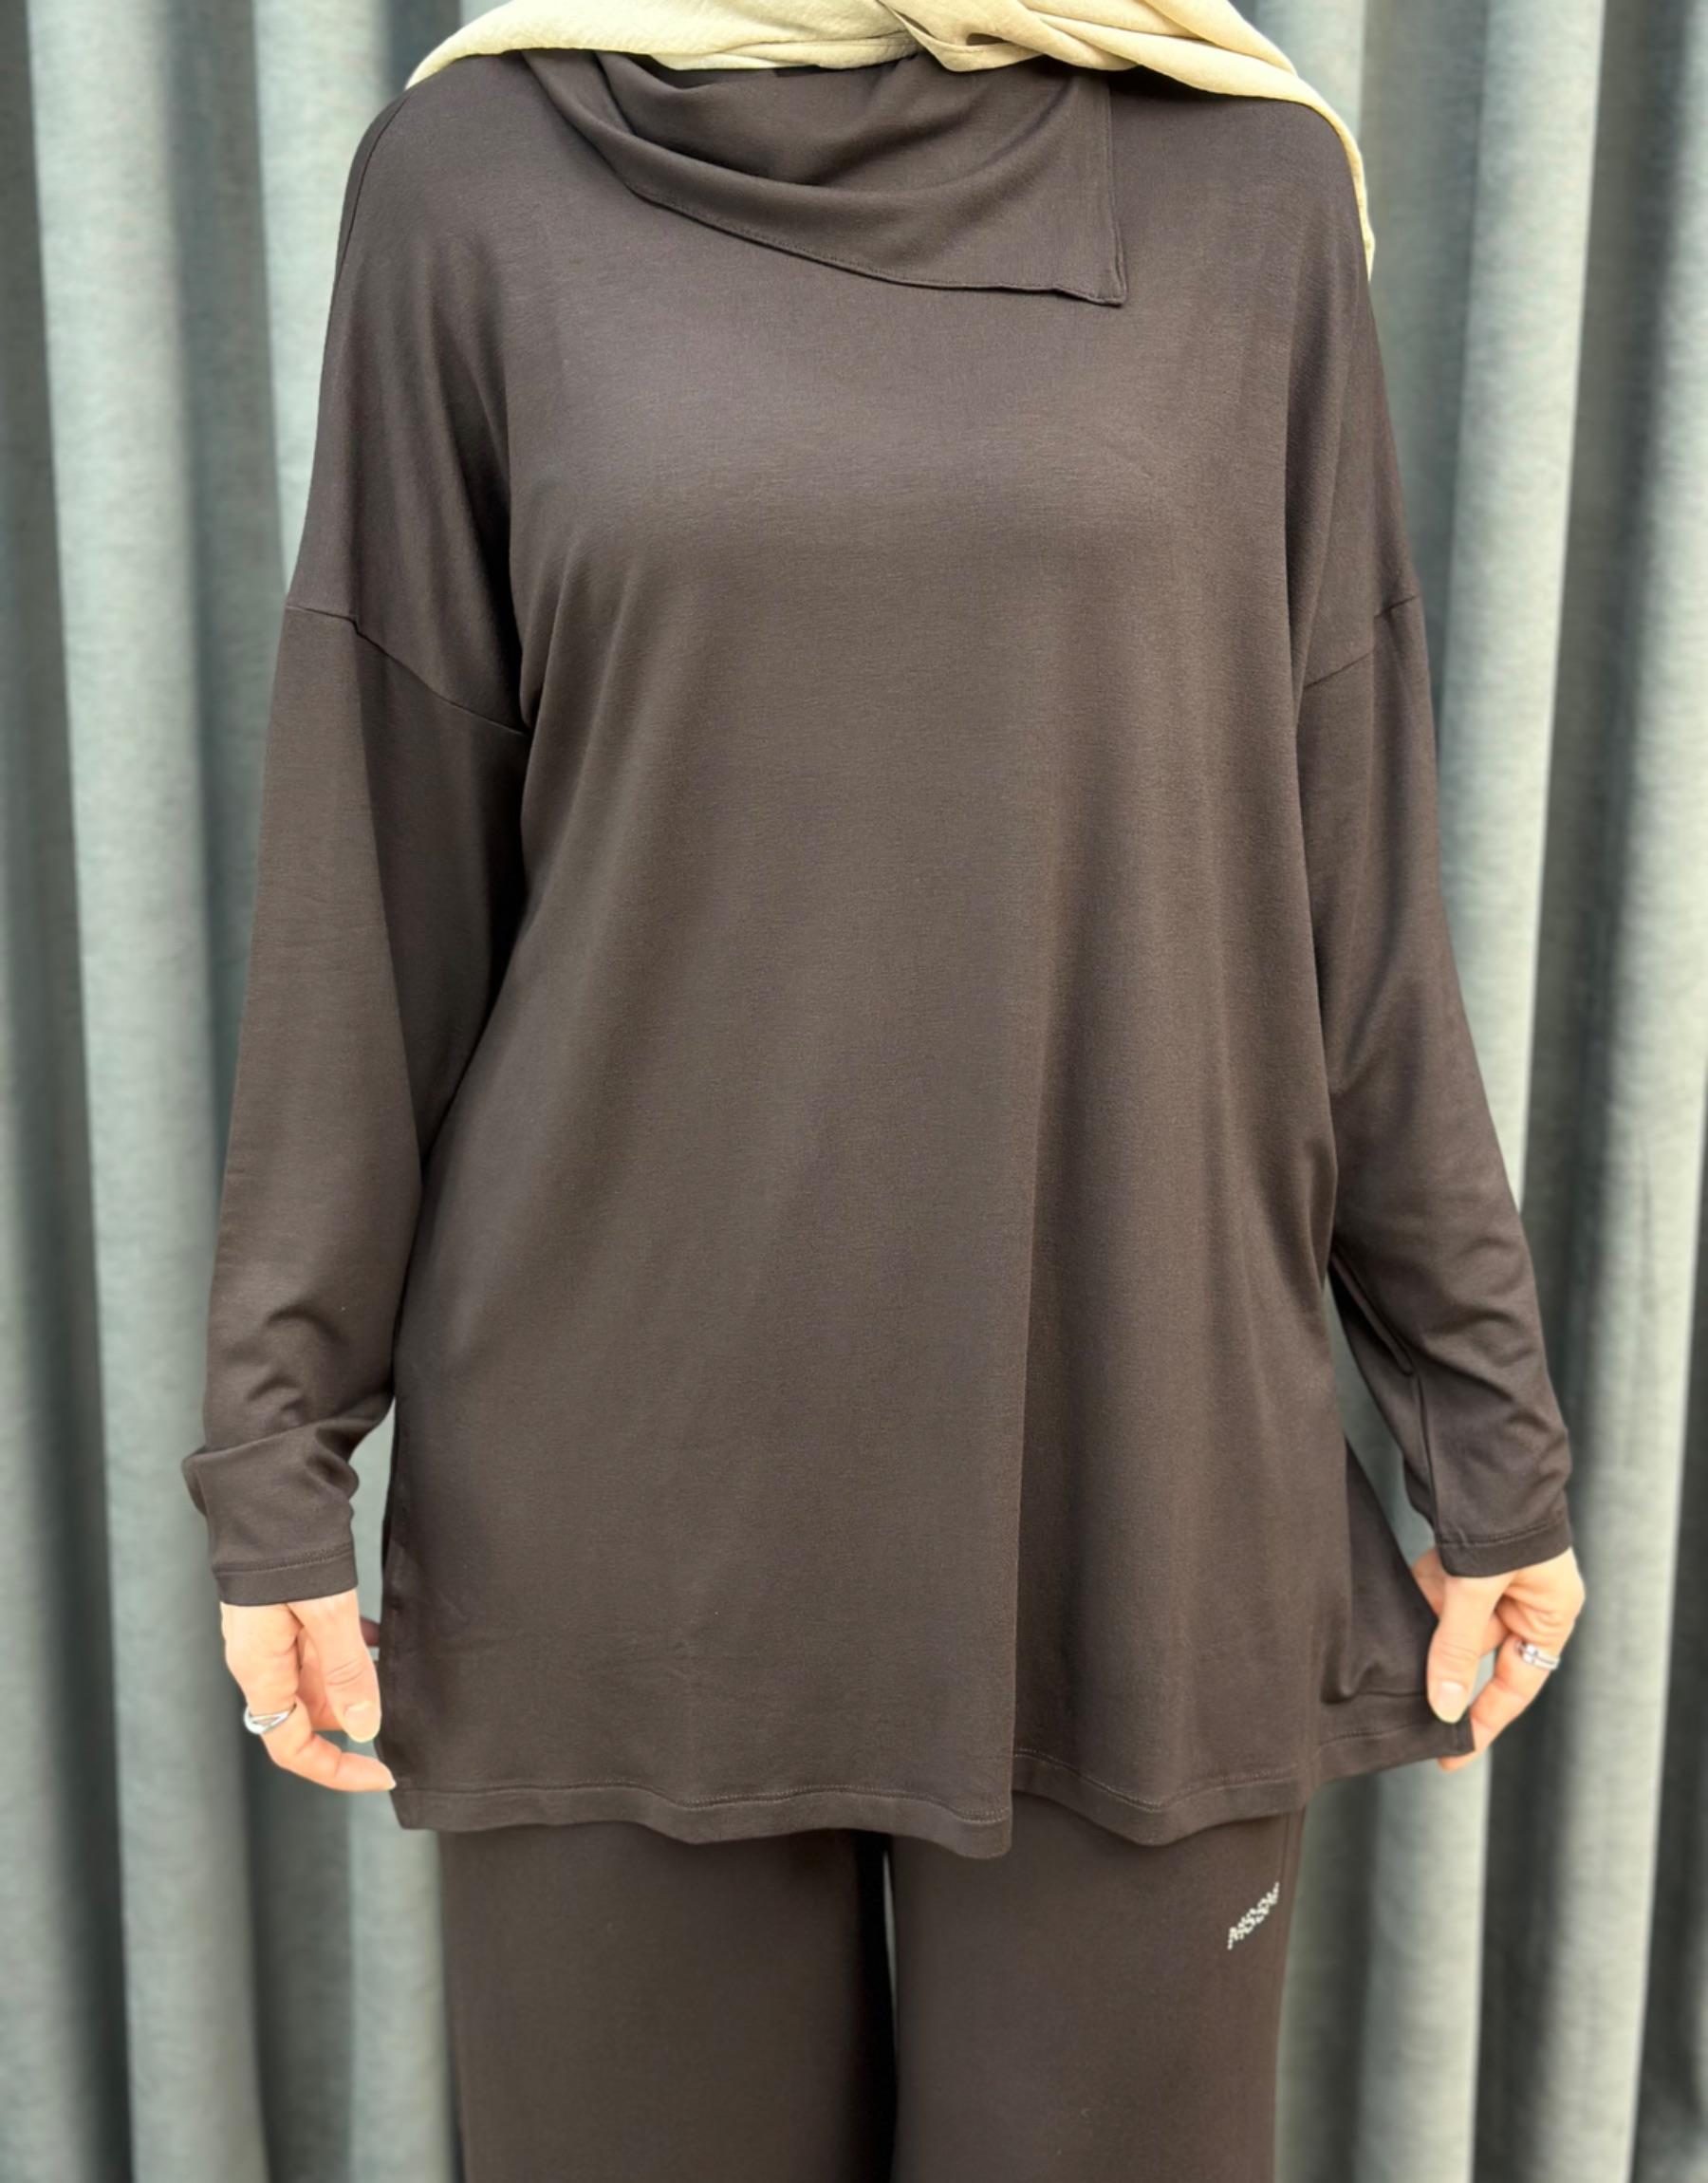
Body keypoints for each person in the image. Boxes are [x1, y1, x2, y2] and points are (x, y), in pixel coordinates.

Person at [184, 4, 1587, 2174]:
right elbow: (374, 875)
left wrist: (1485, 1419)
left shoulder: (1248, 185)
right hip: (631, 1498)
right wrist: (277, 1449)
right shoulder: (474, 182)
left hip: (1131, 1467)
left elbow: (1351, 886)